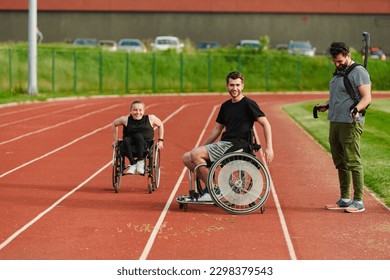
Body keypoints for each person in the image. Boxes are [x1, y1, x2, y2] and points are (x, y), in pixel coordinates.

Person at [182, 71, 274, 201]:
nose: (234, 88)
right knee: (187, 157)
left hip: (239, 144)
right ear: (227, 86)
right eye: (231, 85)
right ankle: (213, 187)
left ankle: (213, 190)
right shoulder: (225, 106)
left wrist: (269, 147)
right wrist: (203, 146)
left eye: (237, 85)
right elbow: (217, 129)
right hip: (225, 143)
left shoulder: (249, 104)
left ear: (242, 86)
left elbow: (266, 124)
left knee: (195, 154)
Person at [316, 42, 371, 213]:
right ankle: (345, 198)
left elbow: (367, 97)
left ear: (347, 55)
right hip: (335, 122)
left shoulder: (359, 72)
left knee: (353, 161)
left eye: (340, 61)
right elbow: (339, 96)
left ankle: (359, 201)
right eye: (334, 62)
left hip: (350, 123)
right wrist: (326, 104)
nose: (337, 64)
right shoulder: (339, 73)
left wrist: (357, 108)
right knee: (340, 161)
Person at [112, 100, 164, 175]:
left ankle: (140, 162)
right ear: (130, 111)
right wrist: (115, 140)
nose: (138, 112)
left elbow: (160, 125)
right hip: (129, 147)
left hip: (145, 147)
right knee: (126, 140)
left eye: (140, 110)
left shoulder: (151, 118)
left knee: (138, 136)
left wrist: (161, 140)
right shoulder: (125, 119)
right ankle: (133, 164)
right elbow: (114, 124)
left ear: (144, 111)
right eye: (135, 110)